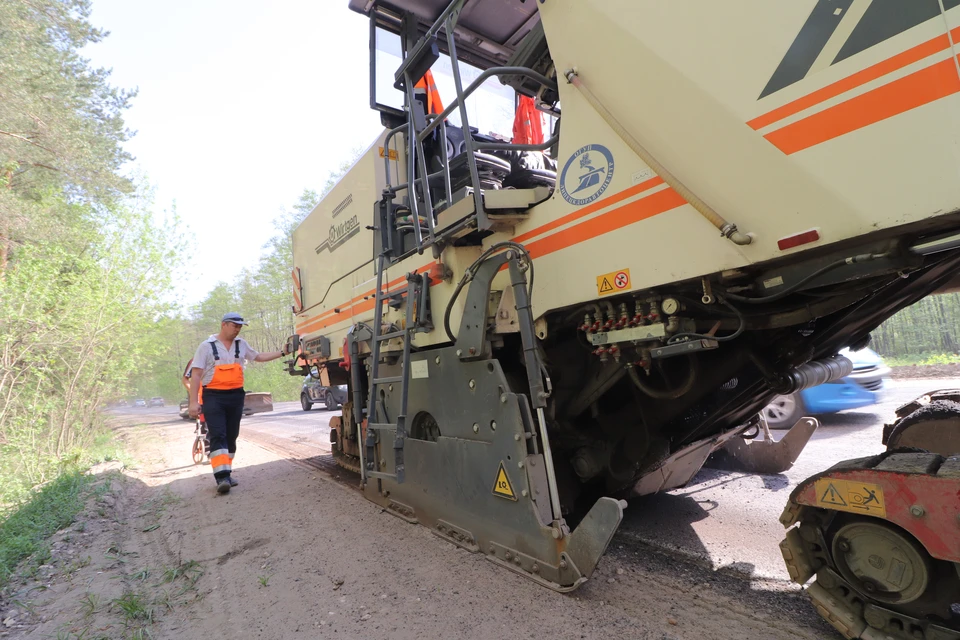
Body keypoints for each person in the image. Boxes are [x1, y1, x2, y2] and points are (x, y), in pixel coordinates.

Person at [188, 312, 289, 495]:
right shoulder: (206, 346)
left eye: (240, 326)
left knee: (232, 435)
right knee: (218, 434)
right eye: (235, 325)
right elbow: (195, 375)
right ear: (224, 324)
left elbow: (258, 357)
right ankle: (222, 477)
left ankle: (227, 471)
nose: (238, 329)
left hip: (235, 396)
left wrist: (283, 352)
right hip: (213, 396)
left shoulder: (241, 345)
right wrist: (193, 402)